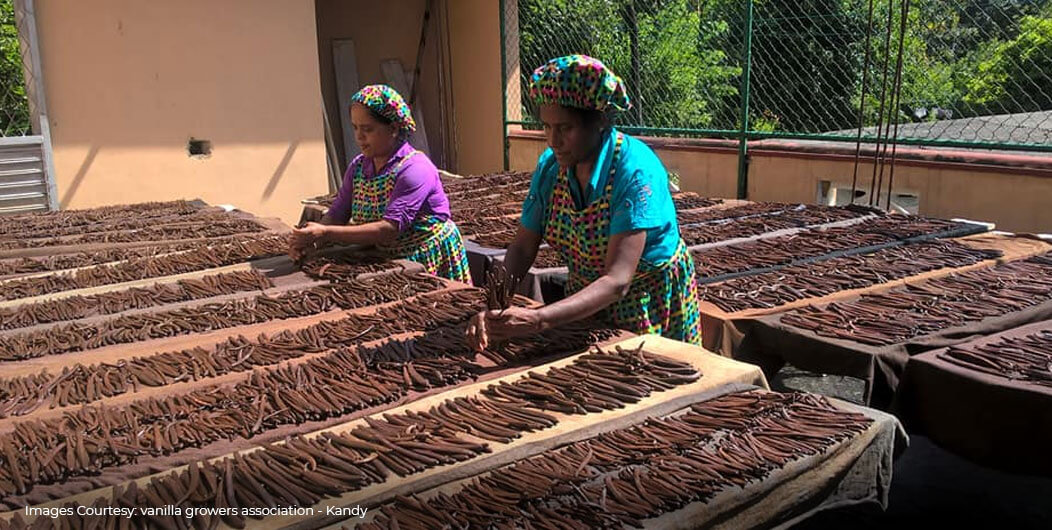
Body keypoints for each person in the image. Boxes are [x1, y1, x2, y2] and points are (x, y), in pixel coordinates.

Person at [466, 55, 701, 349]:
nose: (553, 140)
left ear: (600, 120)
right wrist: (496, 303)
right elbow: (524, 246)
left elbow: (617, 280)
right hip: (585, 292)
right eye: (546, 127)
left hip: (645, 297)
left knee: (647, 377)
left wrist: (539, 319)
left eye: (565, 128)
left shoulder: (634, 172)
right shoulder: (551, 168)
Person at [289, 84, 471, 283]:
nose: (359, 136)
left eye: (367, 129)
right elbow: (338, 213)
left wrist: (325, 232)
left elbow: (389, 230)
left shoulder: (415, 169)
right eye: (355, 128)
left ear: (393, 128)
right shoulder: (358, 168)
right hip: (386, 255)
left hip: (427, 256)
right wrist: (312, 240)